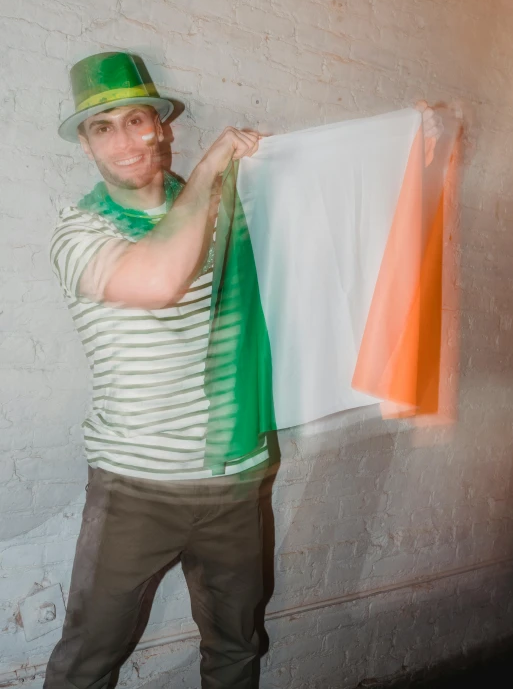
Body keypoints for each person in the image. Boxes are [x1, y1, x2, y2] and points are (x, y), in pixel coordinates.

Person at [44, 51, 442, 689]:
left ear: (161, 126)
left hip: (238, 479)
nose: (123, 139)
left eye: (135, 119)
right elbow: (159, 279)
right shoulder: (80, 229)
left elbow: (325, 223)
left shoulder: (233, 208)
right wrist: (208, 171)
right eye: (102, 127)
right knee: (87, 660)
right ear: (87, 147)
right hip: (137, 487)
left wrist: (408, 148)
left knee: (236, 648)